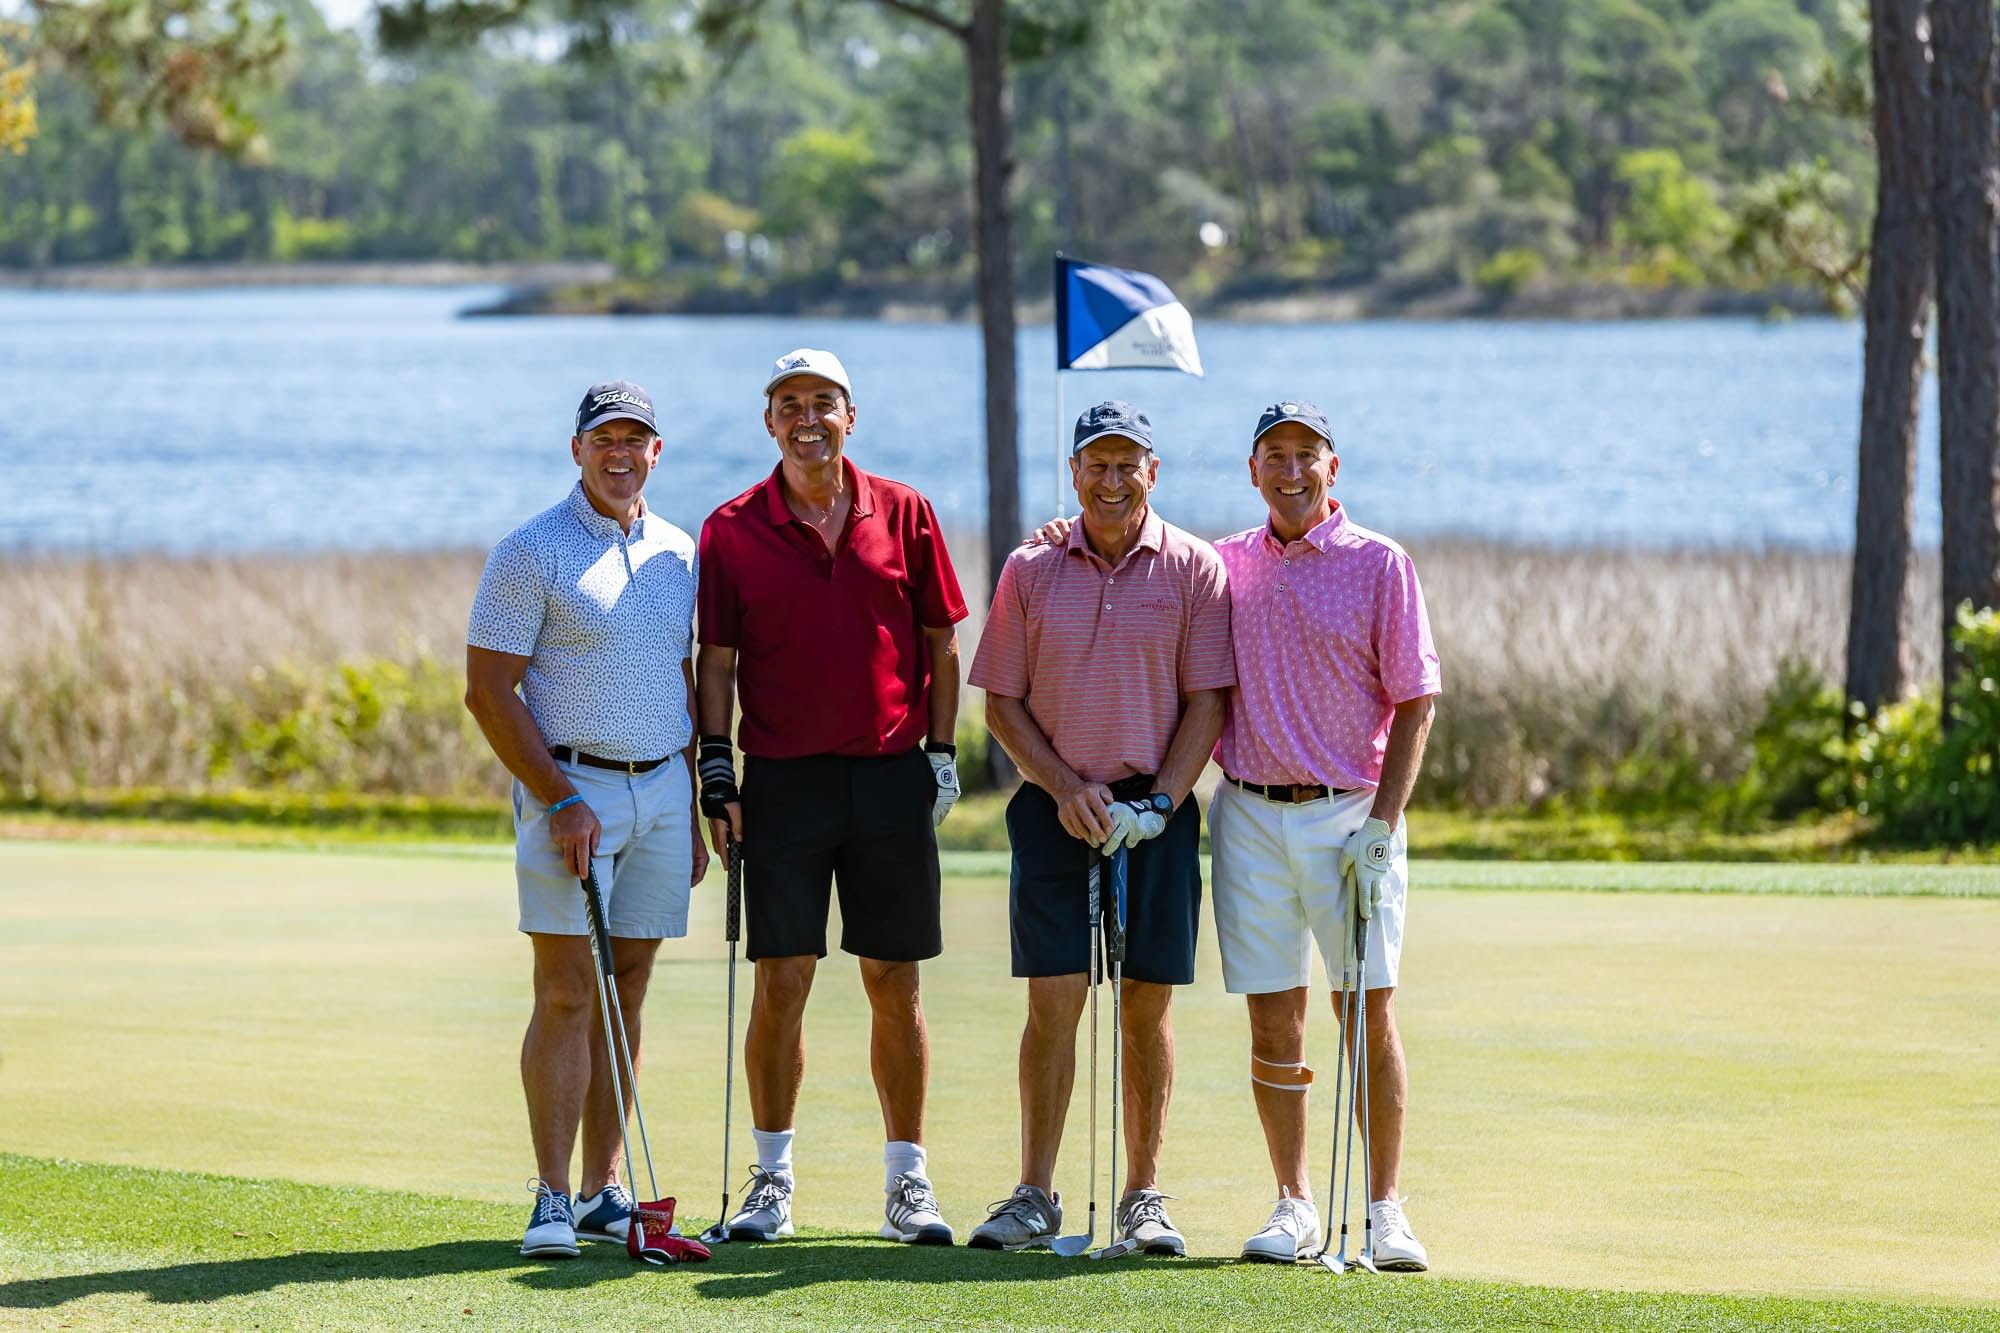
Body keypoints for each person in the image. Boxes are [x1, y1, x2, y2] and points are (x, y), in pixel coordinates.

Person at [695, 348, 968, 1246]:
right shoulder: (731, 528)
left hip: (891, 776)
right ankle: (770, 1180)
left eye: (822, 402)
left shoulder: (907, 511)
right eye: (788, 404)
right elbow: (719, 664)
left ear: (852, 415)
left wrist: (940, 753)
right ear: (768, 421)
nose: (806, 418)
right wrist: (718, 772)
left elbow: (939, 645)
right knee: (784, 979)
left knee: (895, 978)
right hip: (782, 784)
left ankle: (908, 1182)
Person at [965, 400, 1233, 1256]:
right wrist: (1063, 786)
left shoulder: (1195, 567)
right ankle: (1035, 1193)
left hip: (1157, 815)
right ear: (1074, 472)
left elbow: (1208, 703)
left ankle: (1143, 1195)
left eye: (1128, 465)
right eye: (1096, 465)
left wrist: (1159, 803)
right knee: (1054, 1003)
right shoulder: (1029, 567)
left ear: (1152, 470)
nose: (1112, 481)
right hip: (1053, 812)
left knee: (1147, 1008)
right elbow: (1001, 702)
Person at [463, 380, 706, 1259]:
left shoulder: (680, 550)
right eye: (604, 438)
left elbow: (677, 675)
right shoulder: (531, 550)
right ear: (577, 450)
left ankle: (607, 1190)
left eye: (635, 439)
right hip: (573, 791)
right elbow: (488, 690)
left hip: (663, 792)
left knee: (629, 987)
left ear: (656, 452)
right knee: (567, 990)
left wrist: (693, 802)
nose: (619, 453)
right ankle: (553, 1197)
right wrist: (559, 797)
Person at [1212, 400, 1440, 1268]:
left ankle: (1385, 1210)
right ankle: (1295, 1203)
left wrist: (1384, 822)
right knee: (1275, 1020)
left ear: (1332, 468)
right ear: (1254, 468)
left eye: (1307, 454)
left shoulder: (1381, 564)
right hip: (1247, 814)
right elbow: (1143, 561)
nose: (1292, 469)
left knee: (1366, 1012)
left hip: (1352, 815)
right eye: (1276, 454)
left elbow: (1417, 700)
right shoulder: (1224, 562)